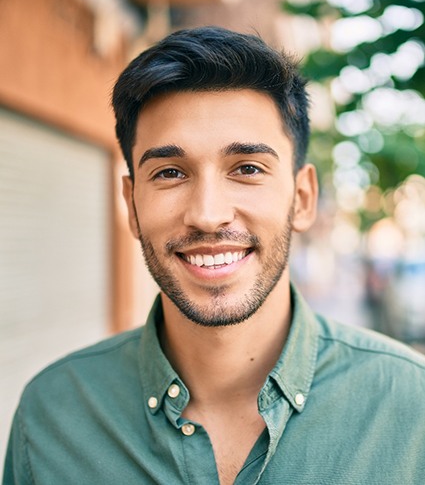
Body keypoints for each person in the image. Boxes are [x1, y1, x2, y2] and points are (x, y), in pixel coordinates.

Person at [3, 26, 425, 485]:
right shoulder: (51, 417)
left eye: (247, 169)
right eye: (169, 172)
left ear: (302, 197)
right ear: (131, 205)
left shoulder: (410, 407)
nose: (207, 215)